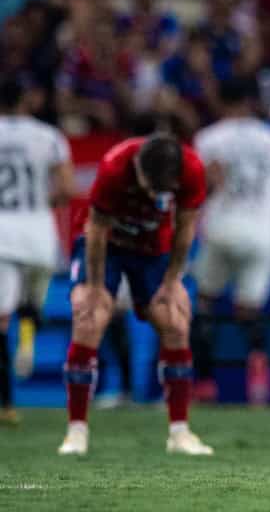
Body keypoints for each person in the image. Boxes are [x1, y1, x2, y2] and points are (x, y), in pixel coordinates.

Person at [57, 133, 213, 456]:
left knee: (175, 321)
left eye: (160, 190)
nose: (150, 193)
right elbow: (97, 229)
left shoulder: (192, 170)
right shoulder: (115, 166)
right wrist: (97, 287)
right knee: (89, 317)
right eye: (147, 185)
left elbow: (185, 228)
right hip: (106, 245)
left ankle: (180, 433)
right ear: (138, 166)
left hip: (151, 248)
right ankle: (76, 432)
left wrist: (172, 281)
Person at [190, 79, 270, 406]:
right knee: (250, 310)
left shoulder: (209, 138)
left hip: (222, 226)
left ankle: (204, 383)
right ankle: (258, 368)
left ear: (221, 103)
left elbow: (206, 183)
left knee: (205, 302)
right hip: (262, 231)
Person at [0, 79, 74, 425]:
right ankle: (27, 339)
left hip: (3, 230)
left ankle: (7, 404)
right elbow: (66, 189)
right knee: (32, 302)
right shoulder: (49, 136)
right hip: (38, 231)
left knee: (1, 318)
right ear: (26, 98)